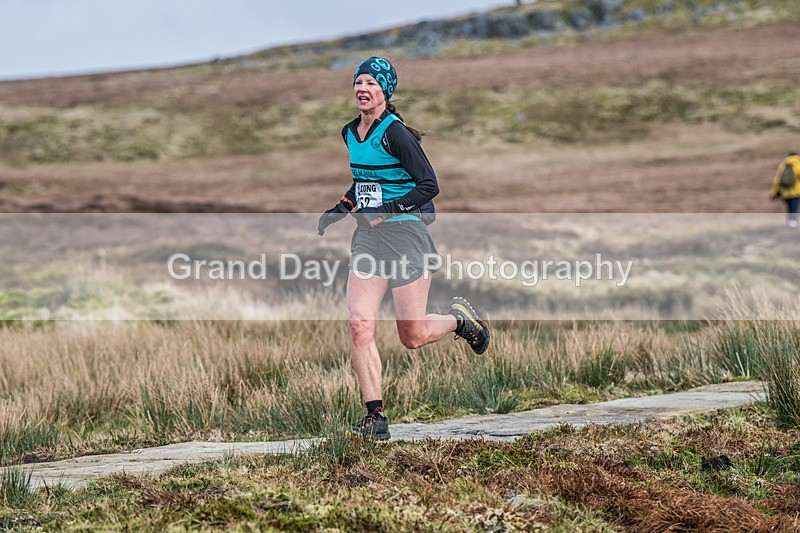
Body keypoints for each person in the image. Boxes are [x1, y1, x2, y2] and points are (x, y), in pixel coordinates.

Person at [317, 56, 490, 440]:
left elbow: (429, 185)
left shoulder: (396, 134)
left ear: (385, 92)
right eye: (358, 82)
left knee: (411, 337)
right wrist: (342, 208)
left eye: (371, 84)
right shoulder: (349, 133)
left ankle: (460, 320)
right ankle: (375, 417)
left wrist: (389, 210)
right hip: (369, 239)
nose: (363, 89)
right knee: (359, 323)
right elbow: (364, 181)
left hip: (407, 238)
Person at [770, 150, 800, 228]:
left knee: (789, 207)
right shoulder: (798, 165)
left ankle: (790, 221)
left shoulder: (783, 165)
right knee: (794, 207)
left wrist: (774, 192)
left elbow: (777, 180)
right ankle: (792, 221)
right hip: (796, 191)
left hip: (785, 191)